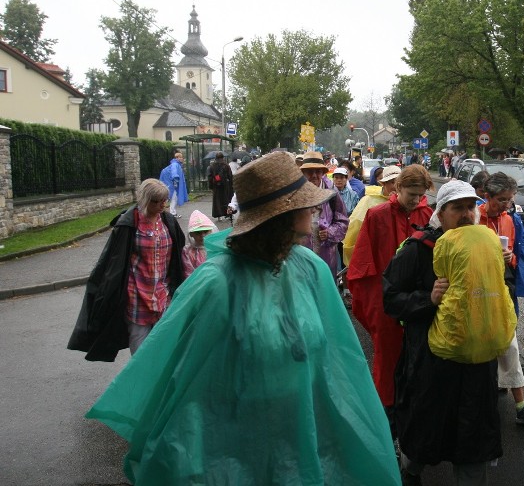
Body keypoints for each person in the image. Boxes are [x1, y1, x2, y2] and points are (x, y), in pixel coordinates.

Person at [84, 152, 401, 485]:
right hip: (238, 444)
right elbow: (185, 379)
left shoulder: (311, 268)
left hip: (303, 429)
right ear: (279, 216)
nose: (314, 208)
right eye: (303, 203)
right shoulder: (216, 282)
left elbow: (339, 361)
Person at [384, 181, 506, 485]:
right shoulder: (419, 248)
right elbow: (391, 298)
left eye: (469, 207)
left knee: (473, 438)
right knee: (426, 430)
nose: (466, 214)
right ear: (442, 212)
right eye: (457, 208)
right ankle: (410, 472)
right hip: (431, 363)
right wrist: (429, 299)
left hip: (476, 365)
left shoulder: (486, 244)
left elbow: (501, 295)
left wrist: (498, 269)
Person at [349, 165, 433, 429]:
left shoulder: (428, 214)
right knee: (387, 358)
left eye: (420, 194)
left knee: (420, 355)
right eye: (411, 193)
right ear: (397, 188)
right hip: (387, 300)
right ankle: (384, 419)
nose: (416, 200)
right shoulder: (377, 215)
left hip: (420, 300)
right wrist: (375, 303)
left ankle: (413, 413)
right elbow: (364, 264)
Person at [68, 179, 186, 360]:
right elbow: (112, 261)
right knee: (140, 352)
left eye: (165, 200)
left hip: (164, 295)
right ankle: (141, 385)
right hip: (137, 295)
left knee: (164, 347)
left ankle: (157, 385)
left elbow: (179, 255)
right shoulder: (129, 223)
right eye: (157, 201)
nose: (163, 204)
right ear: (146, 200)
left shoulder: (168, 221)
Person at [479, 172, 524, 426]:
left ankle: (519, 403)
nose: (506, 205)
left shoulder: (510, 218)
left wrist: (512, 259)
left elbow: (520, 254)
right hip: (479, 286)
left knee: (509, 340)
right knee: (486, 343)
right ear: (486, 196)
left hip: (503, 285)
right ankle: (492, 395)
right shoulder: (474, 217)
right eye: (501, 200)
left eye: (509, 199)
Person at [298, 151, 350, 276]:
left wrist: (330, 233)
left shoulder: (331, 191)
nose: (315, 175)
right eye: (310, 171)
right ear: (303, 173)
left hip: (326, 258)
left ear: (323, 172)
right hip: (301, 258)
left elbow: (343, 221)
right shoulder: (296, 192)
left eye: (318, 171)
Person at [343, 165, 401, 265]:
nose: (396, 186)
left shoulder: (406, 202)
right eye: (392, 182)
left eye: (400, 183)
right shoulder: (369, 200)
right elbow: (356, 226)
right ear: (384, 184)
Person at [182, 209, 217, 276]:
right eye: (198, 233)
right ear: (191, 234)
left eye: (206, 231)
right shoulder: (188, 251)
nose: (202, 235)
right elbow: (189, 273)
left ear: (211, 231)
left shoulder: (216, 248)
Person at [159, 151, 188, 218]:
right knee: (173, 198)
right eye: (180, 157)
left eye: (182, 157)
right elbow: (174, 173)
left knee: (169, 198)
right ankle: (172, 213)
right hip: (172, 185)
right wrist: (175, 181)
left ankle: (165, 212)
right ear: (177, 158)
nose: (182, 158)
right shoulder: (175, 164)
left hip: (169, 183)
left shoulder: (175, 164)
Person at [208, 152, 234, 221]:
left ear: (216, 158)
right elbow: (230, 176)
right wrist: (231, 185)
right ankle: (228, 214)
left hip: (216, 186)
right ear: (223, 158)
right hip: (225, 186)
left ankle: (219, 215)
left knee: (217, 201)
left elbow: (210, 177)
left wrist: (211, 186)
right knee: (227, 199)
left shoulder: (212, 166)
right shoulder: (226, 165)